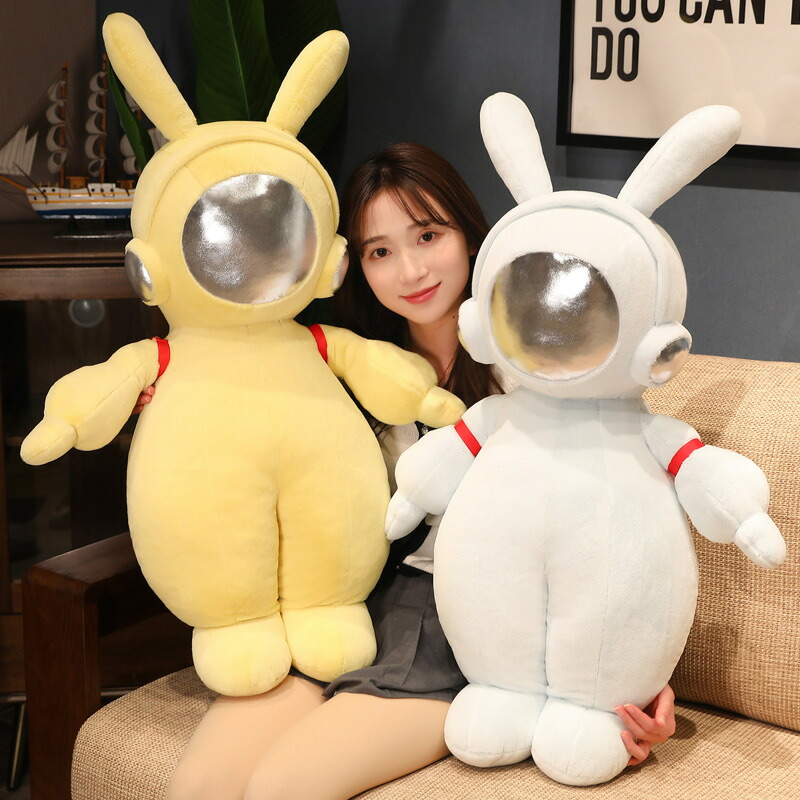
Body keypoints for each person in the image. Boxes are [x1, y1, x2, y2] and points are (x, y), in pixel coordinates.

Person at [134, 143, 675, 800]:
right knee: (199, 786)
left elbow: (617, 513)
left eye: (428, 235)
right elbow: (248, 463)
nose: (410, 270)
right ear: (354, 264)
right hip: (343, 610)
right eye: (379, 251)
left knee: (281, 787)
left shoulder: (544, 369)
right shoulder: (343, 368)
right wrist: (171, 399)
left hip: (472, 632)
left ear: (471, 234)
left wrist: (635, 680)